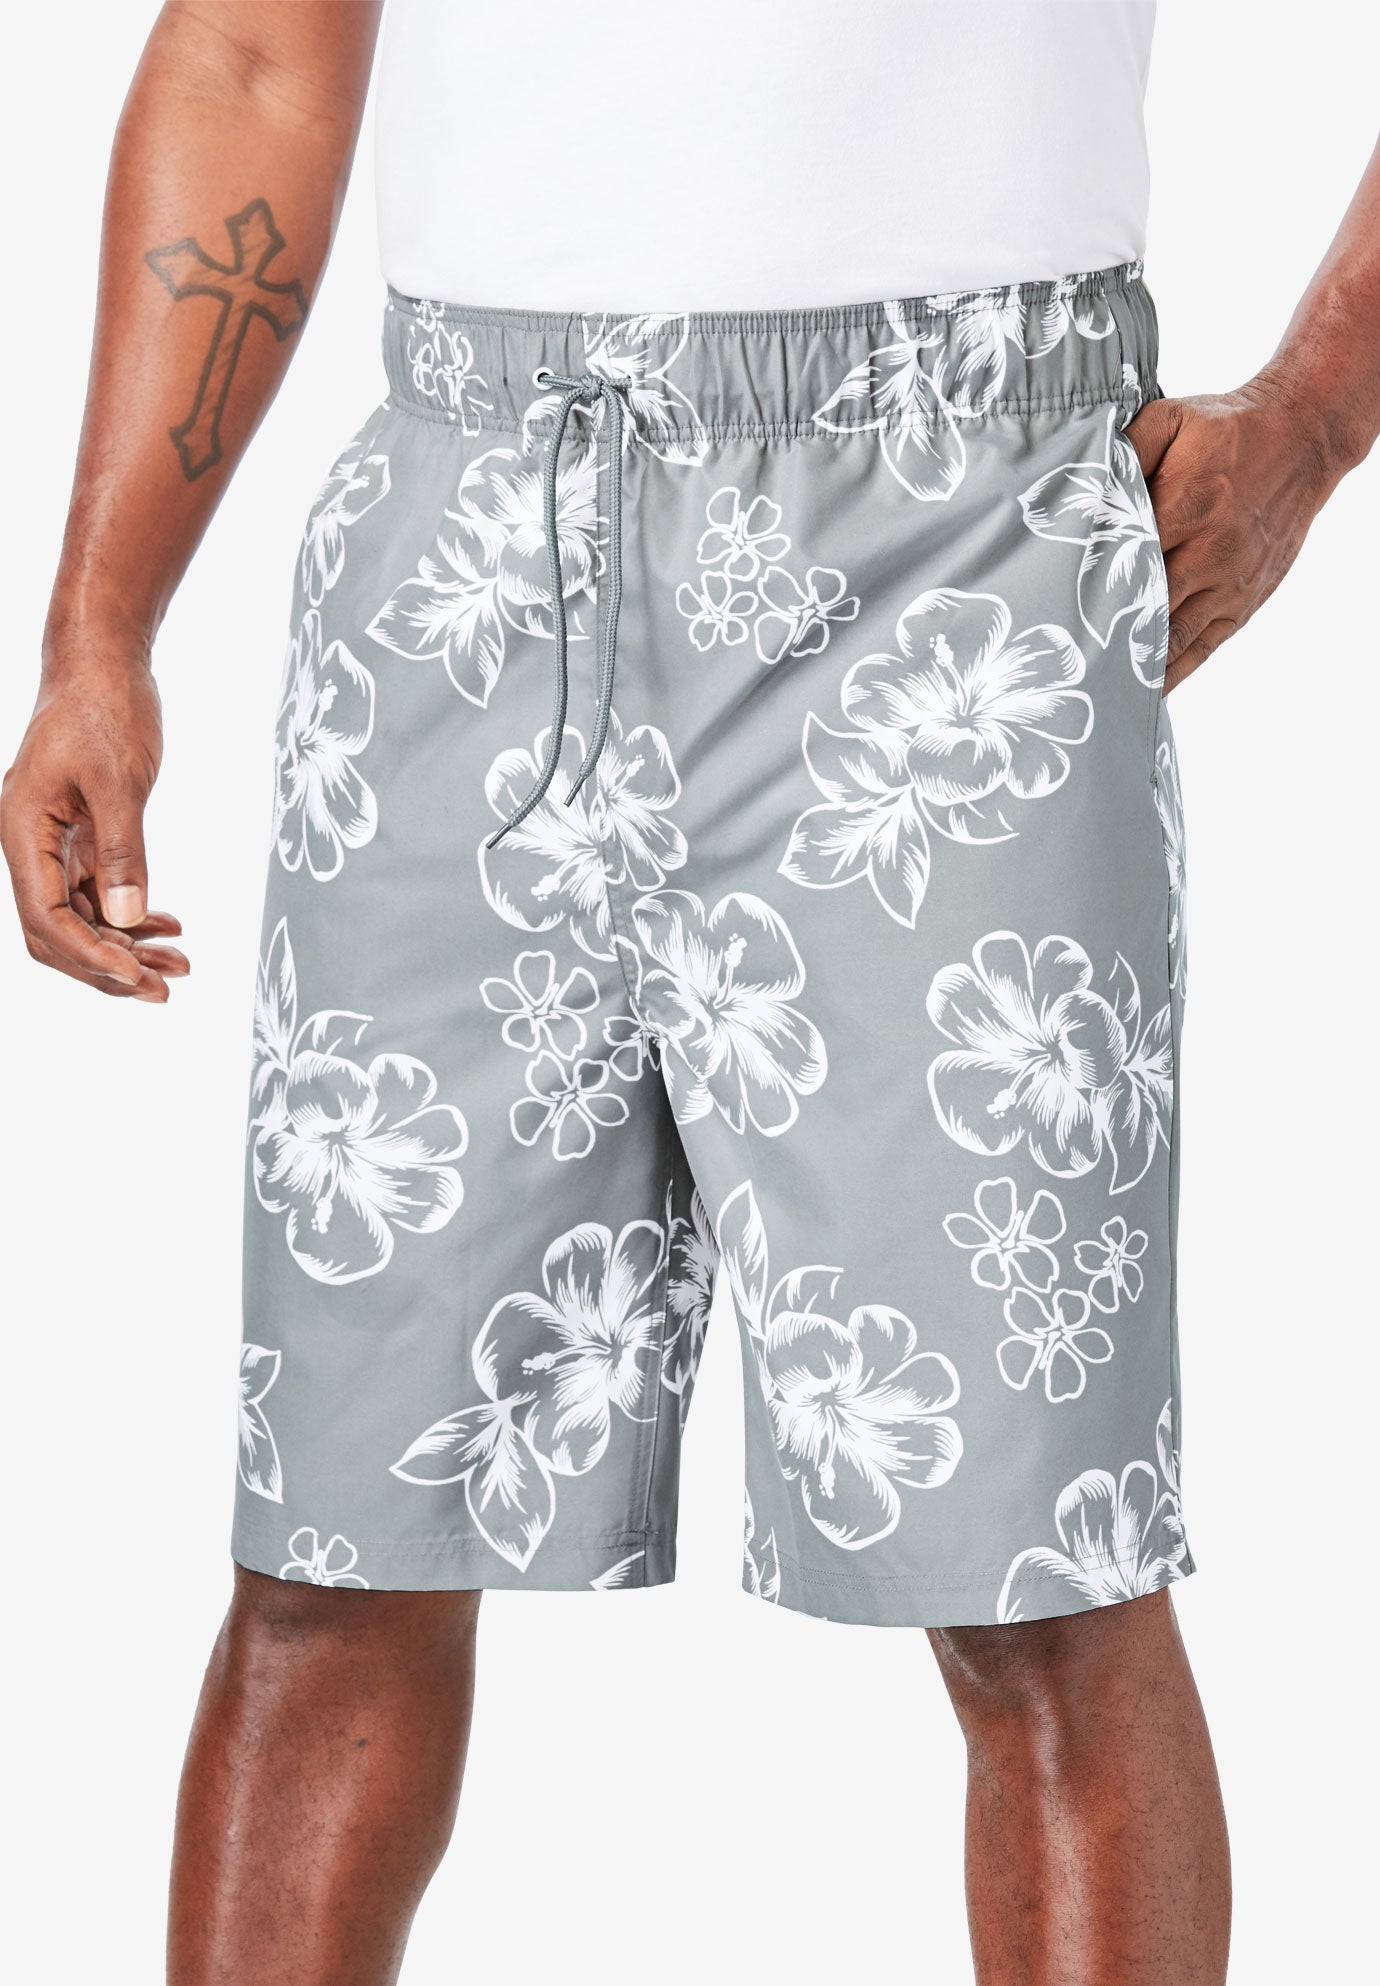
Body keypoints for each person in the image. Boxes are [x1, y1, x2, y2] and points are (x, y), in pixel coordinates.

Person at [3, 3, 1376, 1980]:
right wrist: (98, 631)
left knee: (1042, 1582)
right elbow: (251, 49)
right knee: (333, 1557)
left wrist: (1318, 415)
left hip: (960, 541)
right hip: (466, 554)